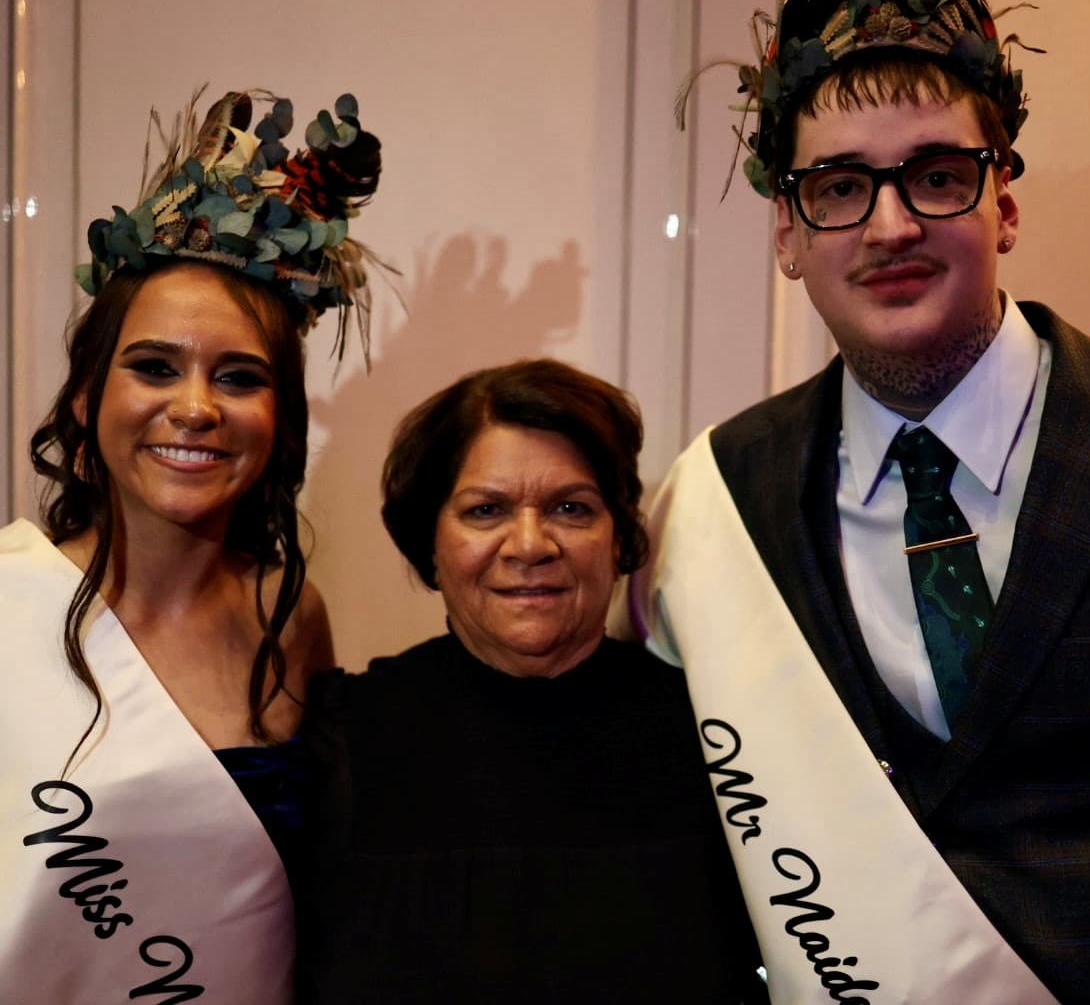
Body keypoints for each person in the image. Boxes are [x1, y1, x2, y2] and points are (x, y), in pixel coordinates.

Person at [630, 0, 1090, 1003]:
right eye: (837, 187)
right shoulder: (721, 493)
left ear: (1003, 201)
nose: (889, 228)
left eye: (935, 174)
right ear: (786, 234)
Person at [0, 87, 385, 1004]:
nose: (194, 407)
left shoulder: (291, 615)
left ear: (280, 424)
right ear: (84, 401)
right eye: (153, 367)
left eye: (238, 377)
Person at [295, 359, 765, 1004]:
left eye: (571, 508)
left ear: (620, 535)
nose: (529, 544)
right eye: (486, 510)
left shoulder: (718, 740)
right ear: (429, 541)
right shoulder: (339, 741)